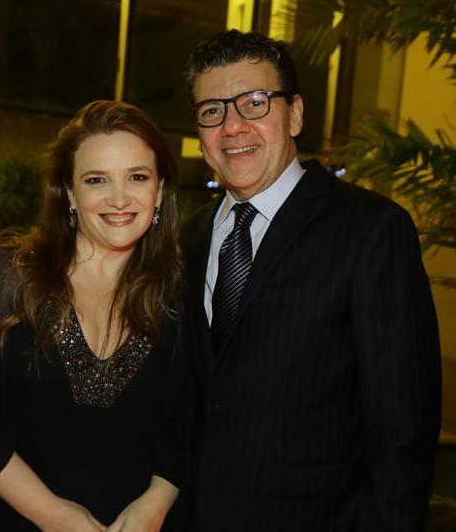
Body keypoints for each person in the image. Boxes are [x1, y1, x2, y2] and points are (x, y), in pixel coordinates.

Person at [175, 30, 442, 531]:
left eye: (255, 102)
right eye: (212, 110)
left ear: (295, 114)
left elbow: (403, 428)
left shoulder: (371, 230)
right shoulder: (187, 238)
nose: (232, 126)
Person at [0, 101, 185, 531]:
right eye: (97, 179)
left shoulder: (177, 294)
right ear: (69, 193)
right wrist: (54, 514)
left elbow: (189, 419)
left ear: (159, 189)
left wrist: (157, 500)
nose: (119, 198)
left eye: (137, 177)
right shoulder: (10, 280)